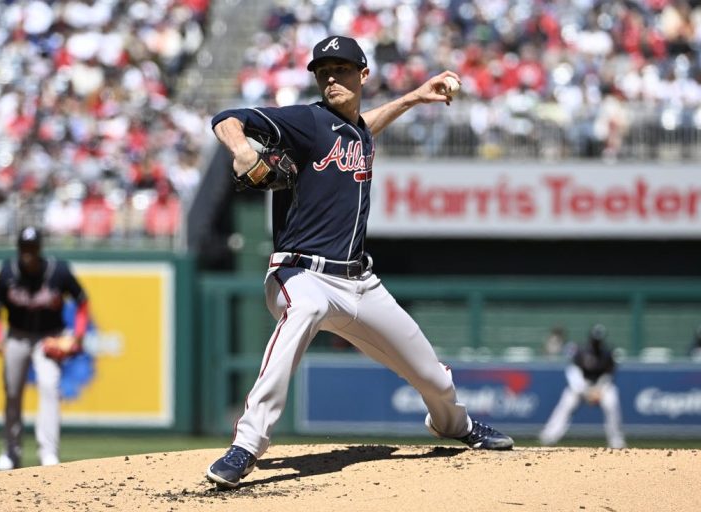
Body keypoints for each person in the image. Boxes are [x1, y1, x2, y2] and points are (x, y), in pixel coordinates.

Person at [206, 35, 513, 489]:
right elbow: (226, 118)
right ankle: (247, 444)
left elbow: (365, 128)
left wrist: (412, 98)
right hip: (301, 273)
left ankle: (454, 424)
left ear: (363, 74)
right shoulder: (307, 121)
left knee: (432, 376)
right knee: (307, 309)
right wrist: (242, 150)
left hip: (360, 283)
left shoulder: (357, 132)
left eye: (342, 69)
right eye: (323, 72)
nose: (331, 78)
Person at [0, 226, 90, 470]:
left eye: (32, 248)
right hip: (17, 336)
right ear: (19, 248)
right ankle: (10, 453)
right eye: (25, 248)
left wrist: (78, 335)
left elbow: (82, 301)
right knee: (12, 392)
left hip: (49, 337)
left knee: (49, 387)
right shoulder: (7, 271)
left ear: (39, 248)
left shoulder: (58, 271)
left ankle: (48, 454)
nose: (28, 253)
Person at [539, 323, 626, 449]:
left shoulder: (607, 354)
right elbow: (573, 373)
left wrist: (599, 390)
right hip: (581, 386)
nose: (596, 344)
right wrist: (586, 391)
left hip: (601, 387)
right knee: (567, 402)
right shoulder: (581, 351)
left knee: (611, 401)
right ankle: (549, 436)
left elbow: (608, 375)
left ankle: (616, 440)